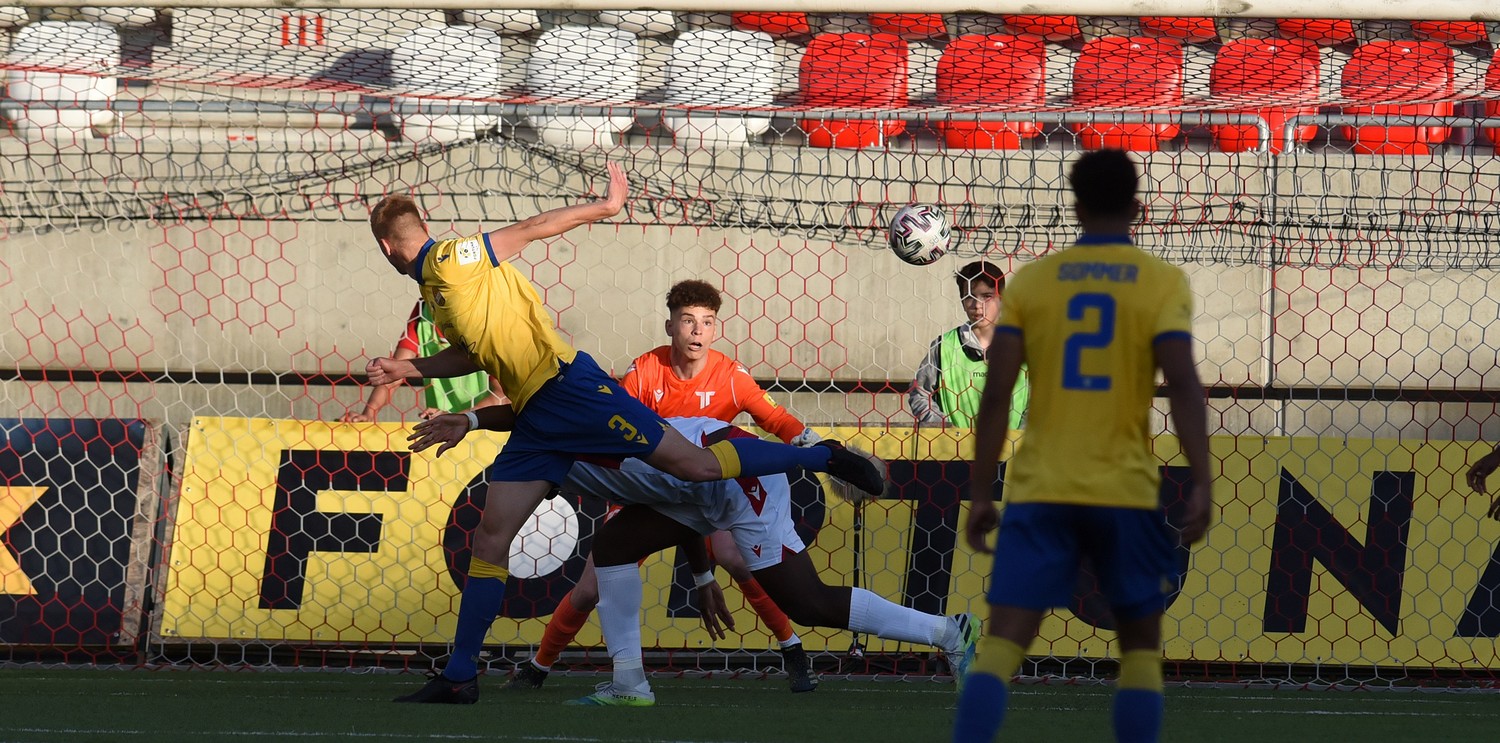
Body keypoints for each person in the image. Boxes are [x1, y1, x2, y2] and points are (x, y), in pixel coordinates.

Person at [365, 162, 885, 705]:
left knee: (696, 467)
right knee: (490, 540)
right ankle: (460, 675)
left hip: (569, 388)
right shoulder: (438, 294)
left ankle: (820, 458)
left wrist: (605, 207)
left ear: (386, 247)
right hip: (535, 418)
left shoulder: (450, 259)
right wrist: (410, 368)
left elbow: (530, 229)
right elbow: (476, 352)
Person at [408, 413, 981, 707]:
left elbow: (690, 478)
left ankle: (949, 632)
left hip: (738, 474)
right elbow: (679, 499)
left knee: (807, 604)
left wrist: (476, 421)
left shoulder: (557, 445)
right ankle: (629, 684)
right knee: (613, 547)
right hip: (698, 482)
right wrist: (703, 573)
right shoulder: (550, 436)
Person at [953, 150, 1213, 743]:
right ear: (1137, 208)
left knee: (1002, 646)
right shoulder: (1160, 282)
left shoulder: (1034, 283)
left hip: (1041, 489)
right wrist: (1201, 480)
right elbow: (1183, 385)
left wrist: (981, 492)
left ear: (1076, 207)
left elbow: (996, 395)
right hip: (1124, 490)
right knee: (1140, 649)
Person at [508, 279, 821, 694]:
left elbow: (778, 420)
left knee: (738, 558)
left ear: (715, 328)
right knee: (589, 588)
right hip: (643, 488)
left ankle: (793, 650)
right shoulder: (644, 372)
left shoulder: (731, 377)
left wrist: (821, 448)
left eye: (707, 322)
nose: (697, 330)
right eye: (688, 320)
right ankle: (538, 667)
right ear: (670, 325)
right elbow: (609, 425)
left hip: (712, 490)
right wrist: (701, 576)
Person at [909, 260, 1030, 430]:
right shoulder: (944, 346)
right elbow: (920, 393)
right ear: (962, 302)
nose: (977, 305)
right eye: (969, 297)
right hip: (954, 445)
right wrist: (942, 428)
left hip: (1011, 445)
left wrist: (1020, 436)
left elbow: (1039, 399)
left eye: (987, 296)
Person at [339, 299, 503, 422]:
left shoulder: (487, 316)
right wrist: (369, 413)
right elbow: (395, 372)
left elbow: (502, 397)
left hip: (485, 430)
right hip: (443, 429)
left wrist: (460, 417)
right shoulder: (424, 311)